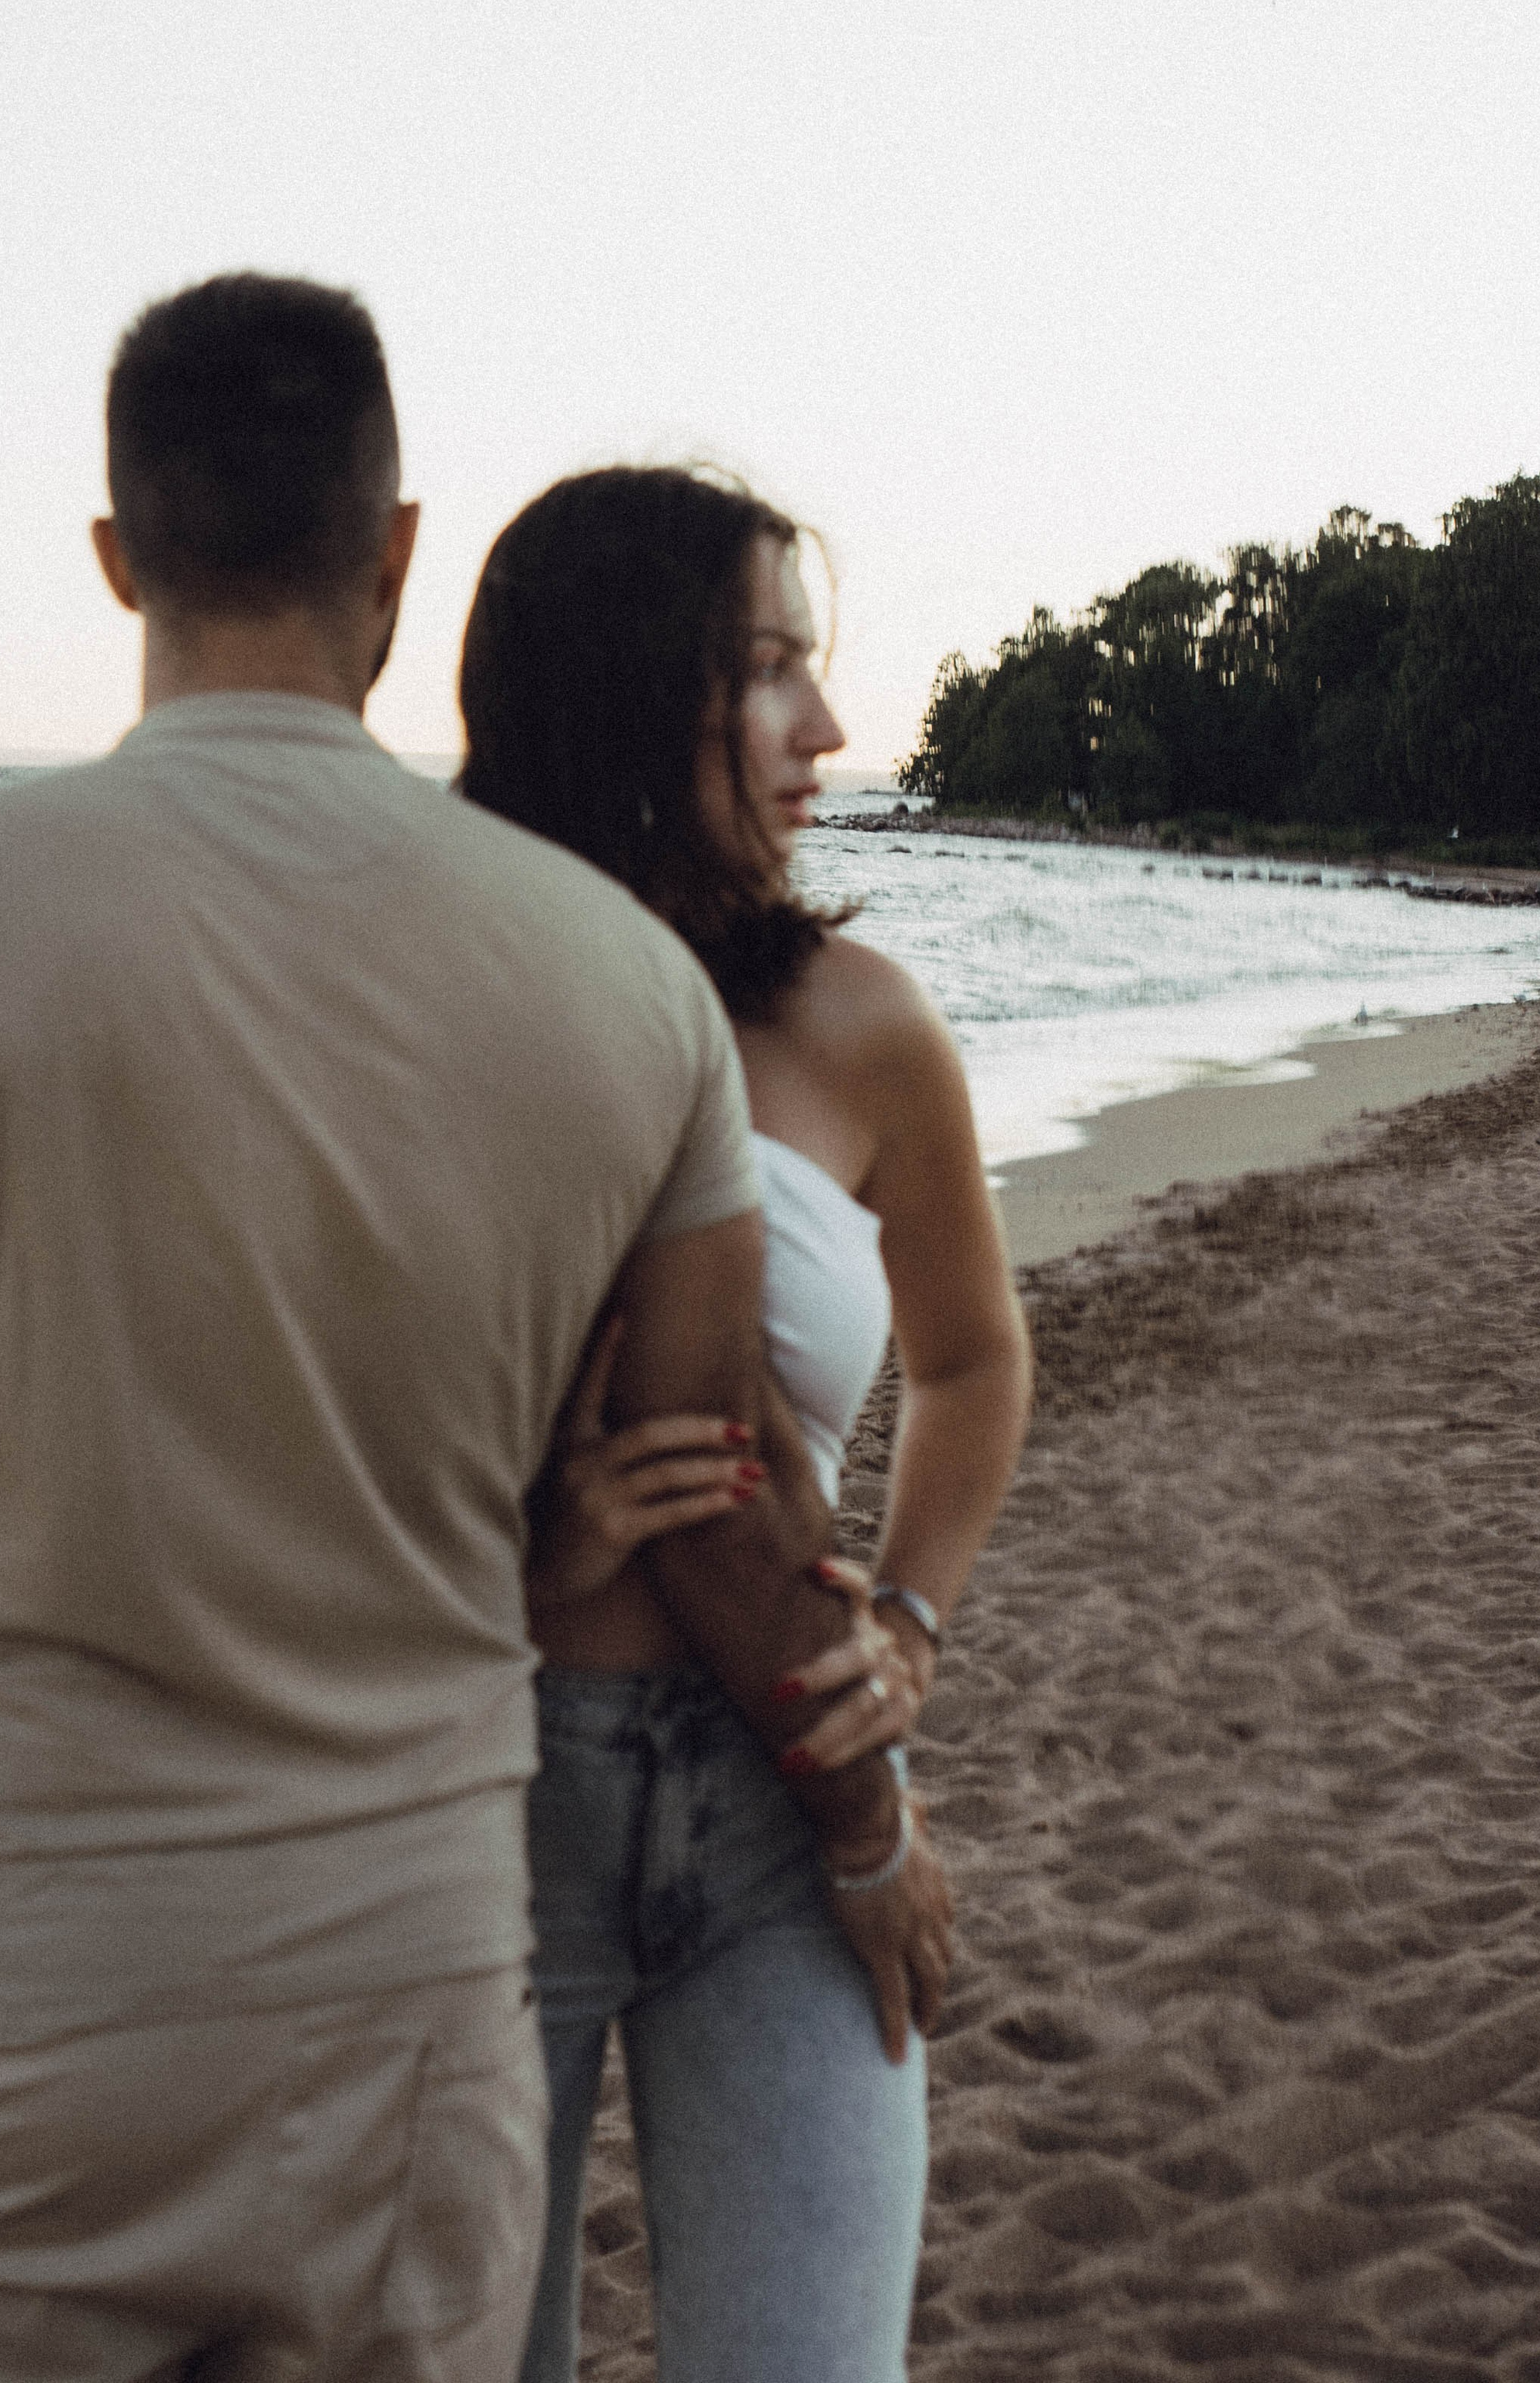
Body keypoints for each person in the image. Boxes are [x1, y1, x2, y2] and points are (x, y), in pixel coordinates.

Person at [0, 279, 928, 2383]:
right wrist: (867, 1809)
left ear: (118, 555)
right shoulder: (622, 993)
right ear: (392, 552)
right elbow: (719, 1461)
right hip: (401, 2026)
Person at [458, 467, 1034, 2383]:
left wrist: (911, 1627)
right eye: (770, 671)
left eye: (817, 669)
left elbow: (972, 1359)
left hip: (773, 1797)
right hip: (469, 1800)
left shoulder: (856, 1025)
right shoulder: (428, 1022)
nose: (830, 732)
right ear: (627, 692)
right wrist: (533, 1555)